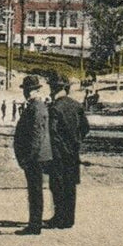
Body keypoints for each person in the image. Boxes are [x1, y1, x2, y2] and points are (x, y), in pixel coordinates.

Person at [46, 74, 90, 229]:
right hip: (73, 153)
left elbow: (52, 132)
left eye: (53, 87)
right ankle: (69, 219)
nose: (51, 90)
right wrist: (76, 141)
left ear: (57, 89)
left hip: (58, 154)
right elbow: (85, 127)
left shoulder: (55, 107)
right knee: (70, 186)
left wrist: (58, 146)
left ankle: (59, 218)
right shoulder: (77, 105)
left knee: (57, 185)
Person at [12, 74, 55, 235]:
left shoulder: (36, 107)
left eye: (29, 90)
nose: (26, 93)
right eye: (26, 90)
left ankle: (35, 225)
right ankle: (34, 223)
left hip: (35, 157)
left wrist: (29, 157)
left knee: (35, 190)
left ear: (35, 91)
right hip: (36, 156)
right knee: (34, 190)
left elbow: (37, 134)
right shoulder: (36, 106)